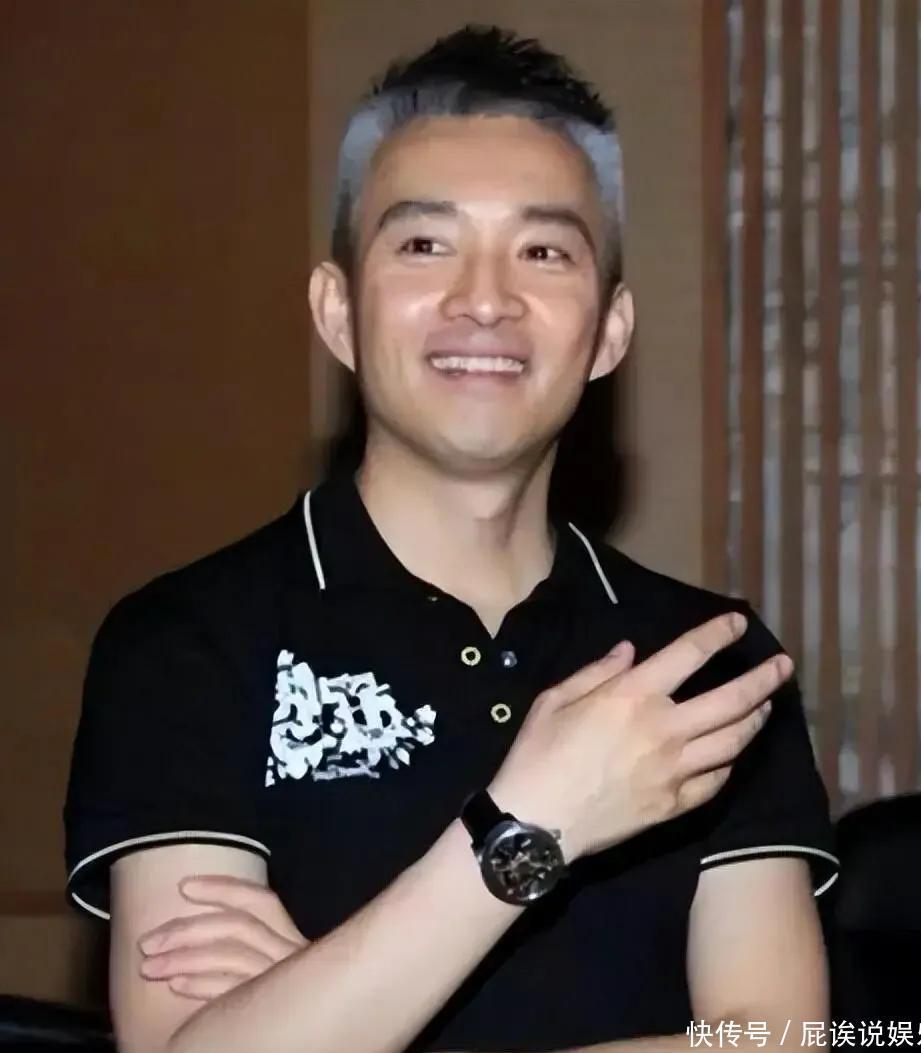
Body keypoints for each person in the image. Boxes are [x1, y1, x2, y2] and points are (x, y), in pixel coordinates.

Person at [63, 24, 839, 1053]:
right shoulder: (188, 642)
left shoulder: (707, 665)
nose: (484, 300)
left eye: (542, 252)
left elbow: (778, 1043)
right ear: (337, 312)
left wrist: (331, 1014)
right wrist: (531, 821)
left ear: (608, 331)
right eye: (425, 245)